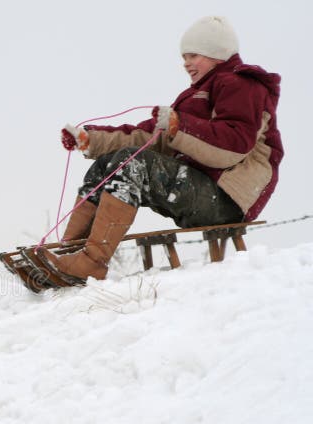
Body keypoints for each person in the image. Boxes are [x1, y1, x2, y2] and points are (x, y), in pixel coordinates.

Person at [39, 15, 282, 284]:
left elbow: (234, 145)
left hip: (228, 198)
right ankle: (69, 254)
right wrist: (91, 139)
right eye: (184, 56)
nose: (186, 63)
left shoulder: (242, 85)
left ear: (216, 53)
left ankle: (91, 262)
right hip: (198, 189)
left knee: (134, 164)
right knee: (108, 164)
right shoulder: (198, 93)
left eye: (193, 55)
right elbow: (147, 136)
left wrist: (180, 125)